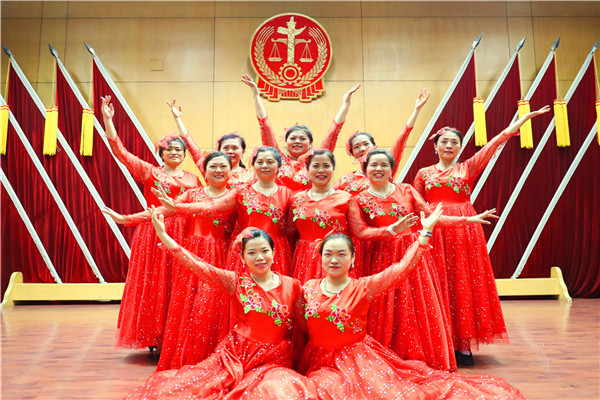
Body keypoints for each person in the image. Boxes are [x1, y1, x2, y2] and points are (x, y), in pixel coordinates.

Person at [298, 217, 526, 400]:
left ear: (352, 258)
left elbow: (402, 268)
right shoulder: (308, 288)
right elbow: (299, 320)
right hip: (318, 358)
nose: (334, 260)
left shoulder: (363, 287)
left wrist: (424, 234)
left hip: (355, 360)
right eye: (328, 254)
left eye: (341, 254)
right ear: (320, 257)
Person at [413, 105, 551, 365]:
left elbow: (494, 144)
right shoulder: (423, 174)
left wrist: (521, 121)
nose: (449, 145)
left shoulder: (468, 167)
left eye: (454, 142)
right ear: (435, 146)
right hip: (435, 229)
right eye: (444, 141)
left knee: (462, 282)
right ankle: (440, 342)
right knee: (437, 282)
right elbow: (417, 205)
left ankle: (464, 344)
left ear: (460, 147)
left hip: (465, 230)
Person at [125, 219, 316, 400]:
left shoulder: (293, 286)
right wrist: (164, 236)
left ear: (273, 252)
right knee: (202, 387)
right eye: (251, 253)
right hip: (238, 355)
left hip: (274, 358)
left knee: (272, 390)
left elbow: (304, 326)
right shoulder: (236, 281)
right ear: (242, 257)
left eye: (264, 251)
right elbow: (198, 266)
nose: (259, 257)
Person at [353, 149, 497, 371]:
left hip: (413, 253)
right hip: (383, 257)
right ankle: (388, 353)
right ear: (365, 169)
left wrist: (467, 219)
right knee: (387, 305)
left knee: (417, 303)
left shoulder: (406, 190)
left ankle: (421, 353)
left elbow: (431, 218)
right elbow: (360, 232)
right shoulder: (358, 199)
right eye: (374, 165)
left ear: (392, 169)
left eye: (384, 165)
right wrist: (389, 231)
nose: (379, 169)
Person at [105, 152, 239, 370]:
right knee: (189, 302)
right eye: (213, 166)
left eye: (223, 166)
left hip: (221, 255)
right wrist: (127, 219)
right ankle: (189, 352)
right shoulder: (192, 194)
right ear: (204, 171)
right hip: (192, 253)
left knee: (216, 303)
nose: (218, 170)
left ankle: (215, 351)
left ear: (231, 170)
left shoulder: (235, 196)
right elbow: (165, 210)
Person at [100, 95, 201, 349]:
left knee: (179, 283)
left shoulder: (193, 179)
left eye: (179, 149)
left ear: (185, 154)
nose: (174, 152)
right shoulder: (150, 172)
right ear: (161, 153)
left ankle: (177, 334)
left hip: (185, 233)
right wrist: (108, 120)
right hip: (155, 230)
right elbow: (120, 153)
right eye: (169, 149)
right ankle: (155, 336)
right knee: (155, 284)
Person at [155, 146, 294, 276]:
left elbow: (290, 229)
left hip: (276, 250)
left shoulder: (288, 194)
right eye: (260, 162)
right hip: (245, 247)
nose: (264, 166)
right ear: (253, 165)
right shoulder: (241, 191)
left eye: (270, 162)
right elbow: (213, 207)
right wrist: (177, 207)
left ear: (279, 166)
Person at [291, 149, 414, 283]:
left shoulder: (346, 198)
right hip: (306, 259)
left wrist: (390, 230)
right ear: (307, 169)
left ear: (333, 169)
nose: (321, 170)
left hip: (338, 256)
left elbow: (360, 231)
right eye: (315, 166)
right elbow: (288, 231)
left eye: (326, 166)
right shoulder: (296, 199)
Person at [242, 74, 360, 192]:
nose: (297, 141)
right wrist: (256, 96)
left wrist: (345, 104)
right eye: (292, 138)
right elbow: (265, 125)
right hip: (280, 203)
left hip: (309, 203)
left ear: (310, 144)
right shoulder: (277, 159)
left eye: (303, 139)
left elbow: (334, 130)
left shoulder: (316, 160)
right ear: (286, 142)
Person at [334, 88, 430, 195]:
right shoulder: (346, 179)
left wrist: (416, 110)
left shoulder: (386, 167)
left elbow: (402, 137)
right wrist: (345, 104)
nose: (362, 148)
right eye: (356, 147)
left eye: (366, 144)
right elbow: (327, 195)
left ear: (374, 147)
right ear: (352, 153)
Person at [166, 98, 255, 188]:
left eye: (235, 148)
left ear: (243, 151)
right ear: (219, 151)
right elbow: (191, 145)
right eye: (226, 148)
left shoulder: (252, 175)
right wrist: (178, 119)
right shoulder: (210, 170)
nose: (230, 151)